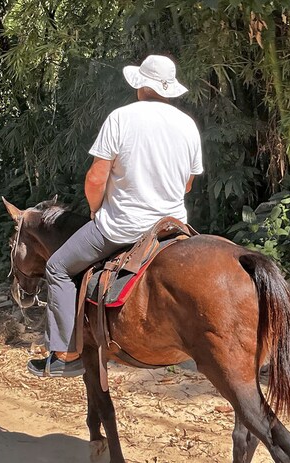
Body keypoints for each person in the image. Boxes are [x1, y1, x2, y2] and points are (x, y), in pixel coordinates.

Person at [27, 54, 204, 377]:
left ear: (140, 85)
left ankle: (65, 354)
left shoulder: (121, 118)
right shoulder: (188, 125)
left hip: (123, 227)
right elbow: (188, 183)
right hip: (172, 227)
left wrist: (96, 210)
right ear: (168, 90)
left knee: (57, 268)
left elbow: (96, 178)